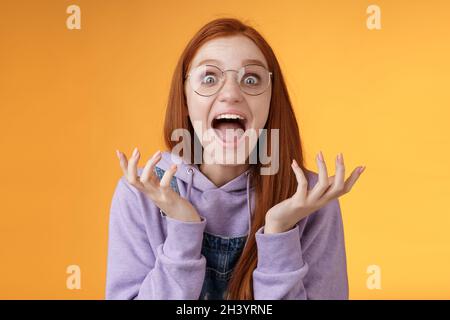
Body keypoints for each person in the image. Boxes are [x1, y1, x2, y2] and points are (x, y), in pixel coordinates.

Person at [105, 17, 365, 300]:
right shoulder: (141, 193)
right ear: (185, 97)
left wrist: (280, 231)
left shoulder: (310, 201)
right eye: (209, 78)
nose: (231, 94)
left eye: (251, 79)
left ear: (271, 99)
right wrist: (182, 230)